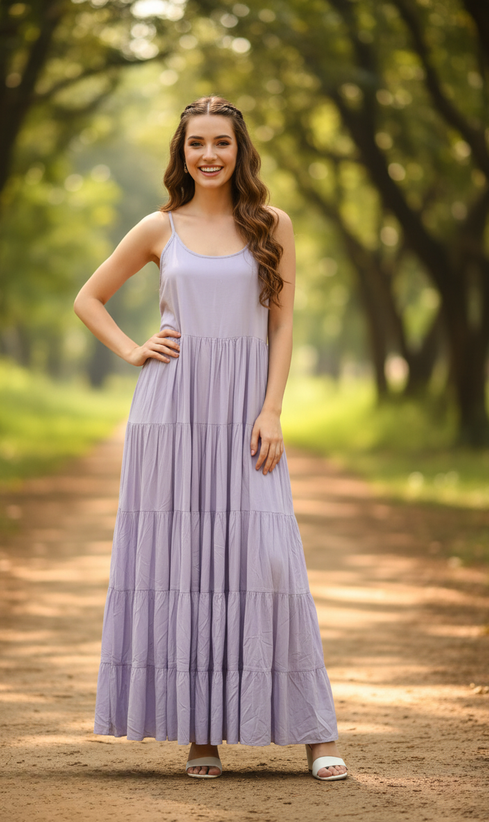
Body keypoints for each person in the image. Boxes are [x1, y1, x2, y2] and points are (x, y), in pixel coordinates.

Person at [73, 95, 348, 782]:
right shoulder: (158, 227)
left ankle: (316, 733)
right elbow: (88, 298)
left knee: (271, 558)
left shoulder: (272, 225)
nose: (210, 155)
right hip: (171, 413)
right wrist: (134, 350)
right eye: (197, 143)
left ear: (240, 149)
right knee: (187, 565)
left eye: (221, 143)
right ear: (182, 152)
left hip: (246, 409)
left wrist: (272, 409)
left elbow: (282, 325)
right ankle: (201, 735)